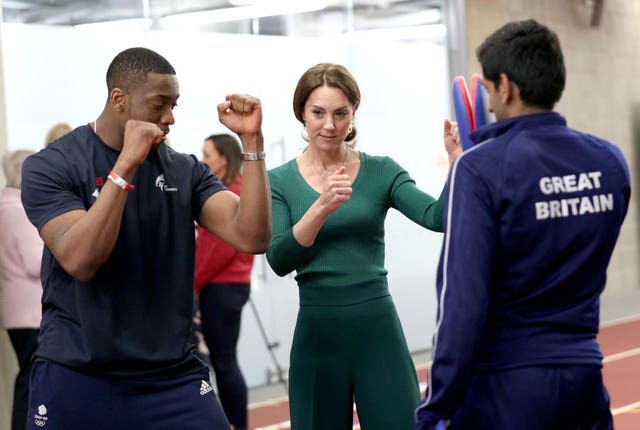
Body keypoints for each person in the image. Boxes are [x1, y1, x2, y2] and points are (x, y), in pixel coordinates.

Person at [20, 47, 271, 430]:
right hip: (77, 373)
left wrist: (251, 143)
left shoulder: (185, 170)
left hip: (171, 375)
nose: (169, 118)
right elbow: (81, 259)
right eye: (159, 105)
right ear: (118, 99)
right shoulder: (52, 165)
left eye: (174, 105)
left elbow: (252, 235)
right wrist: (125, 167)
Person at [415, 19, 630, 430]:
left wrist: (436, 404)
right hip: (584, 379)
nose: (489, 102)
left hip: (504, 388)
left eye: (489, 91)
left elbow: (461, 302)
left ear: (506, 86)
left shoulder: (477, 170)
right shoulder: (610, 161)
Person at [265, 62, 461, 430]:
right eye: (318, 113)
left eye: (341, 114)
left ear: (354, 113)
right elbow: (278, 259)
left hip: (377, 329)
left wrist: (456, 163)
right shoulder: (278, 181)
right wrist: (321, 206)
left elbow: (437, 218)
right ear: (301, 114)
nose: (329, 125)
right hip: (317, 333)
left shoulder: (382, 170)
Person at [194, 133, 254, 430]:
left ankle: (236, 424)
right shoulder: (225, 189)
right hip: (227, 285)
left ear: (224, 158)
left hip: (222, 286)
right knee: (223, 360)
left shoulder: (231, 192)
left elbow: (218, 250)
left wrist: (190, 285)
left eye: (207, 155)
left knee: (224, 360)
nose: (203, 161)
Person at [0, 149, 43, 430]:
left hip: (13, 310)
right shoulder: (19, 211)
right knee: (31, 380)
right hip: (32, 312)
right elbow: (35, 263)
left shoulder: (3, 207)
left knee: (28, 375)